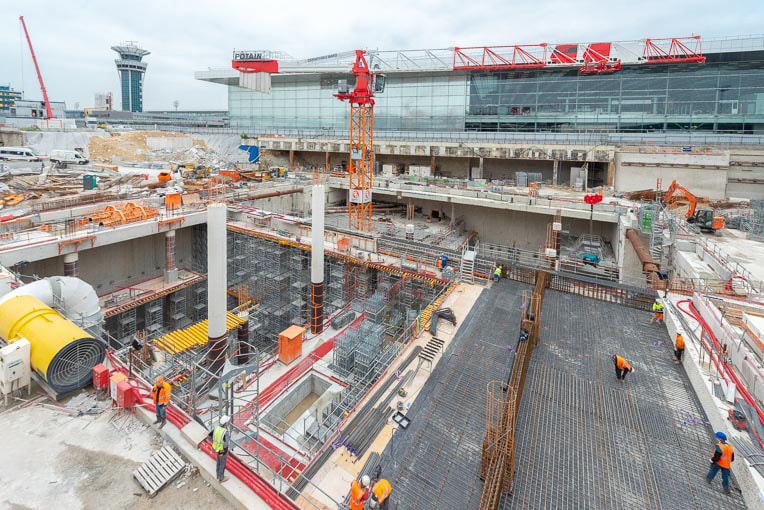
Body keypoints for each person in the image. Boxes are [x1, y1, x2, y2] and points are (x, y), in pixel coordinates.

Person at [209, 415, 231, 482]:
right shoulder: (225, 432)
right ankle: (221, 478)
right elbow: (226, 444)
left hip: (217, 450)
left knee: (218, 462)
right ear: (226, 424)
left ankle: (218, 475)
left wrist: (215, 443)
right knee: (222, 464)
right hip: (222, 451)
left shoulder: (216, 428)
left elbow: (209, 437)